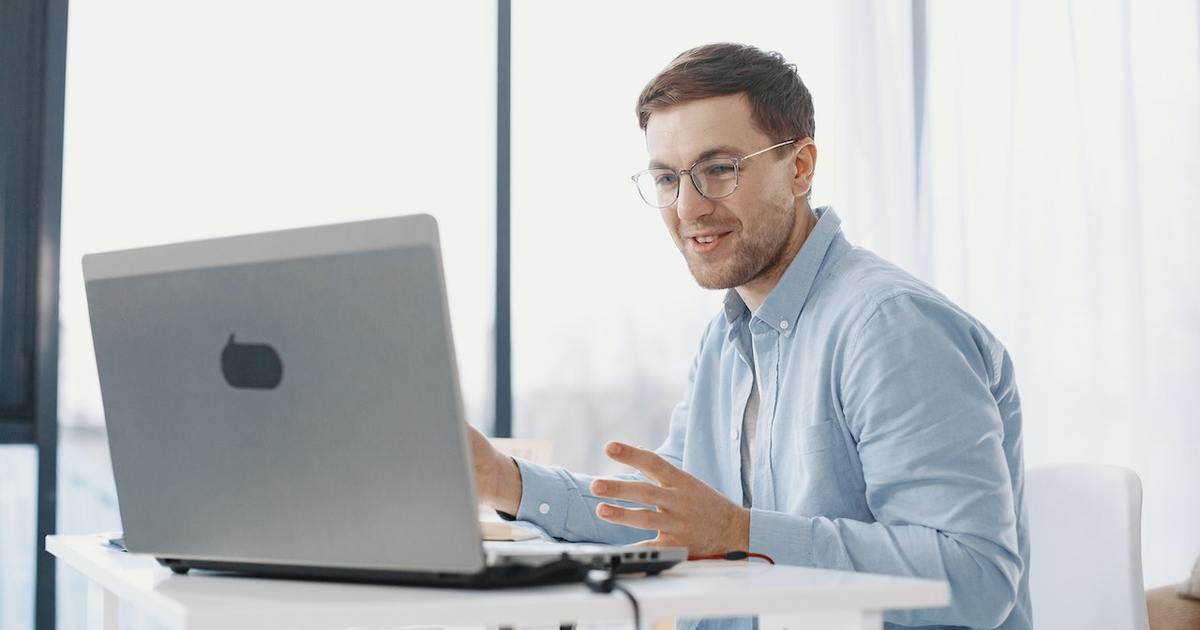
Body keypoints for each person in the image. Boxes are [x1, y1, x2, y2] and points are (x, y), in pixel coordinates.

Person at [467, 42, 1031, 630]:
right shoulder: (728, 339)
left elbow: (975, 577)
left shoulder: (889, 326)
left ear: (801, 167)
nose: (688, 208)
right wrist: (503, 479)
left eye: (719, 169)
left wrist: (740, 534)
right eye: (668, 178)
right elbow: (671, 513)